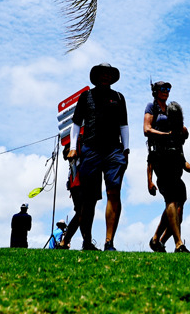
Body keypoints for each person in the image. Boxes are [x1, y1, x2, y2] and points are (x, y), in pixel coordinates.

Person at [69, 63, 129, 251]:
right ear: (96, 77)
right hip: (91, 149)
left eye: (108, 74)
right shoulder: (86, 97)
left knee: (114, 192)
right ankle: (87, 241)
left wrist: (126, 150)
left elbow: (124, 126)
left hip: (114, 150)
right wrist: (73, 148)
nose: (105, 77)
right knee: (89, 199)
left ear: (112, 77)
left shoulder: (118, 98)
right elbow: (76, 123)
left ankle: (109, 242)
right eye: (102, 74)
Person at [143, 80, 190, 254]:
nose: (166, 91)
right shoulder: (151, 107)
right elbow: (147, 130)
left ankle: (157, 240)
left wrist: (182, 131)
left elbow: (181, 130)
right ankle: (178, 244)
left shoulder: (171, 110)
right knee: (170, 200)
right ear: (155, 91)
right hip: (160, 158)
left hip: (175, 159)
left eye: (168, 88)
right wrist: (149, 180)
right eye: (162, 88)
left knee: (179, 209)